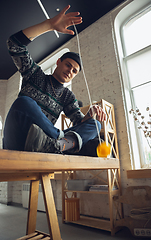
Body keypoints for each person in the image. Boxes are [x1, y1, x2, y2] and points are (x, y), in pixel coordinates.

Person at [3, 5, 106, 154]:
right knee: (24, 102)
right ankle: (61, 142)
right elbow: (14, 45)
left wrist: (90, 115)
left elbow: (78, 121)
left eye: (74, 71)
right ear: (58, 62)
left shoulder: (67, 96)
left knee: (96, 124)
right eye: (68, 65)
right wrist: (49, 25)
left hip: (41, 144)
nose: (70, 71)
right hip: (17, 137)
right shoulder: (35, 75)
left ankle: (60, 144)